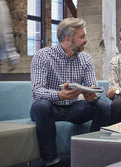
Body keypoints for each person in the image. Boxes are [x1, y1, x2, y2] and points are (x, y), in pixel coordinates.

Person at [30, 18, 111, 167]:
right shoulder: (42, 56)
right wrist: (58, 95)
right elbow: (37, 90)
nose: (86, 40)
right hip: (49, 108)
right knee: (42, 105)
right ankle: (50, 161)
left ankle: (90, 155)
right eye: (82, 37)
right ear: (68, 39)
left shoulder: (85, 58)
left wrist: (92, 95)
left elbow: (93, 86)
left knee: (104, 106)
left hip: (73, 108)